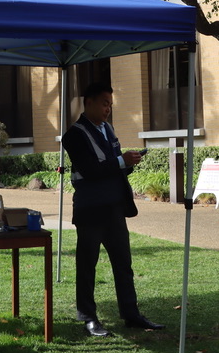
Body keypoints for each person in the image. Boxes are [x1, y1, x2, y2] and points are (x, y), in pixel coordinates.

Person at [62, 82, 164, 337]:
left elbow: (112, 166)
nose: (108, 109)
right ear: (89, 103)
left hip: (114, 208)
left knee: (123, 264)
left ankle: (131, 314)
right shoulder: (74, 135)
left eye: (110, 104)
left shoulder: (108, 129)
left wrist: (128, 162)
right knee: (87, 265)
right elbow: (89, 170)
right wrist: (120, 161)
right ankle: (88, 317)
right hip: (90, 209)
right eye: (104, 103)